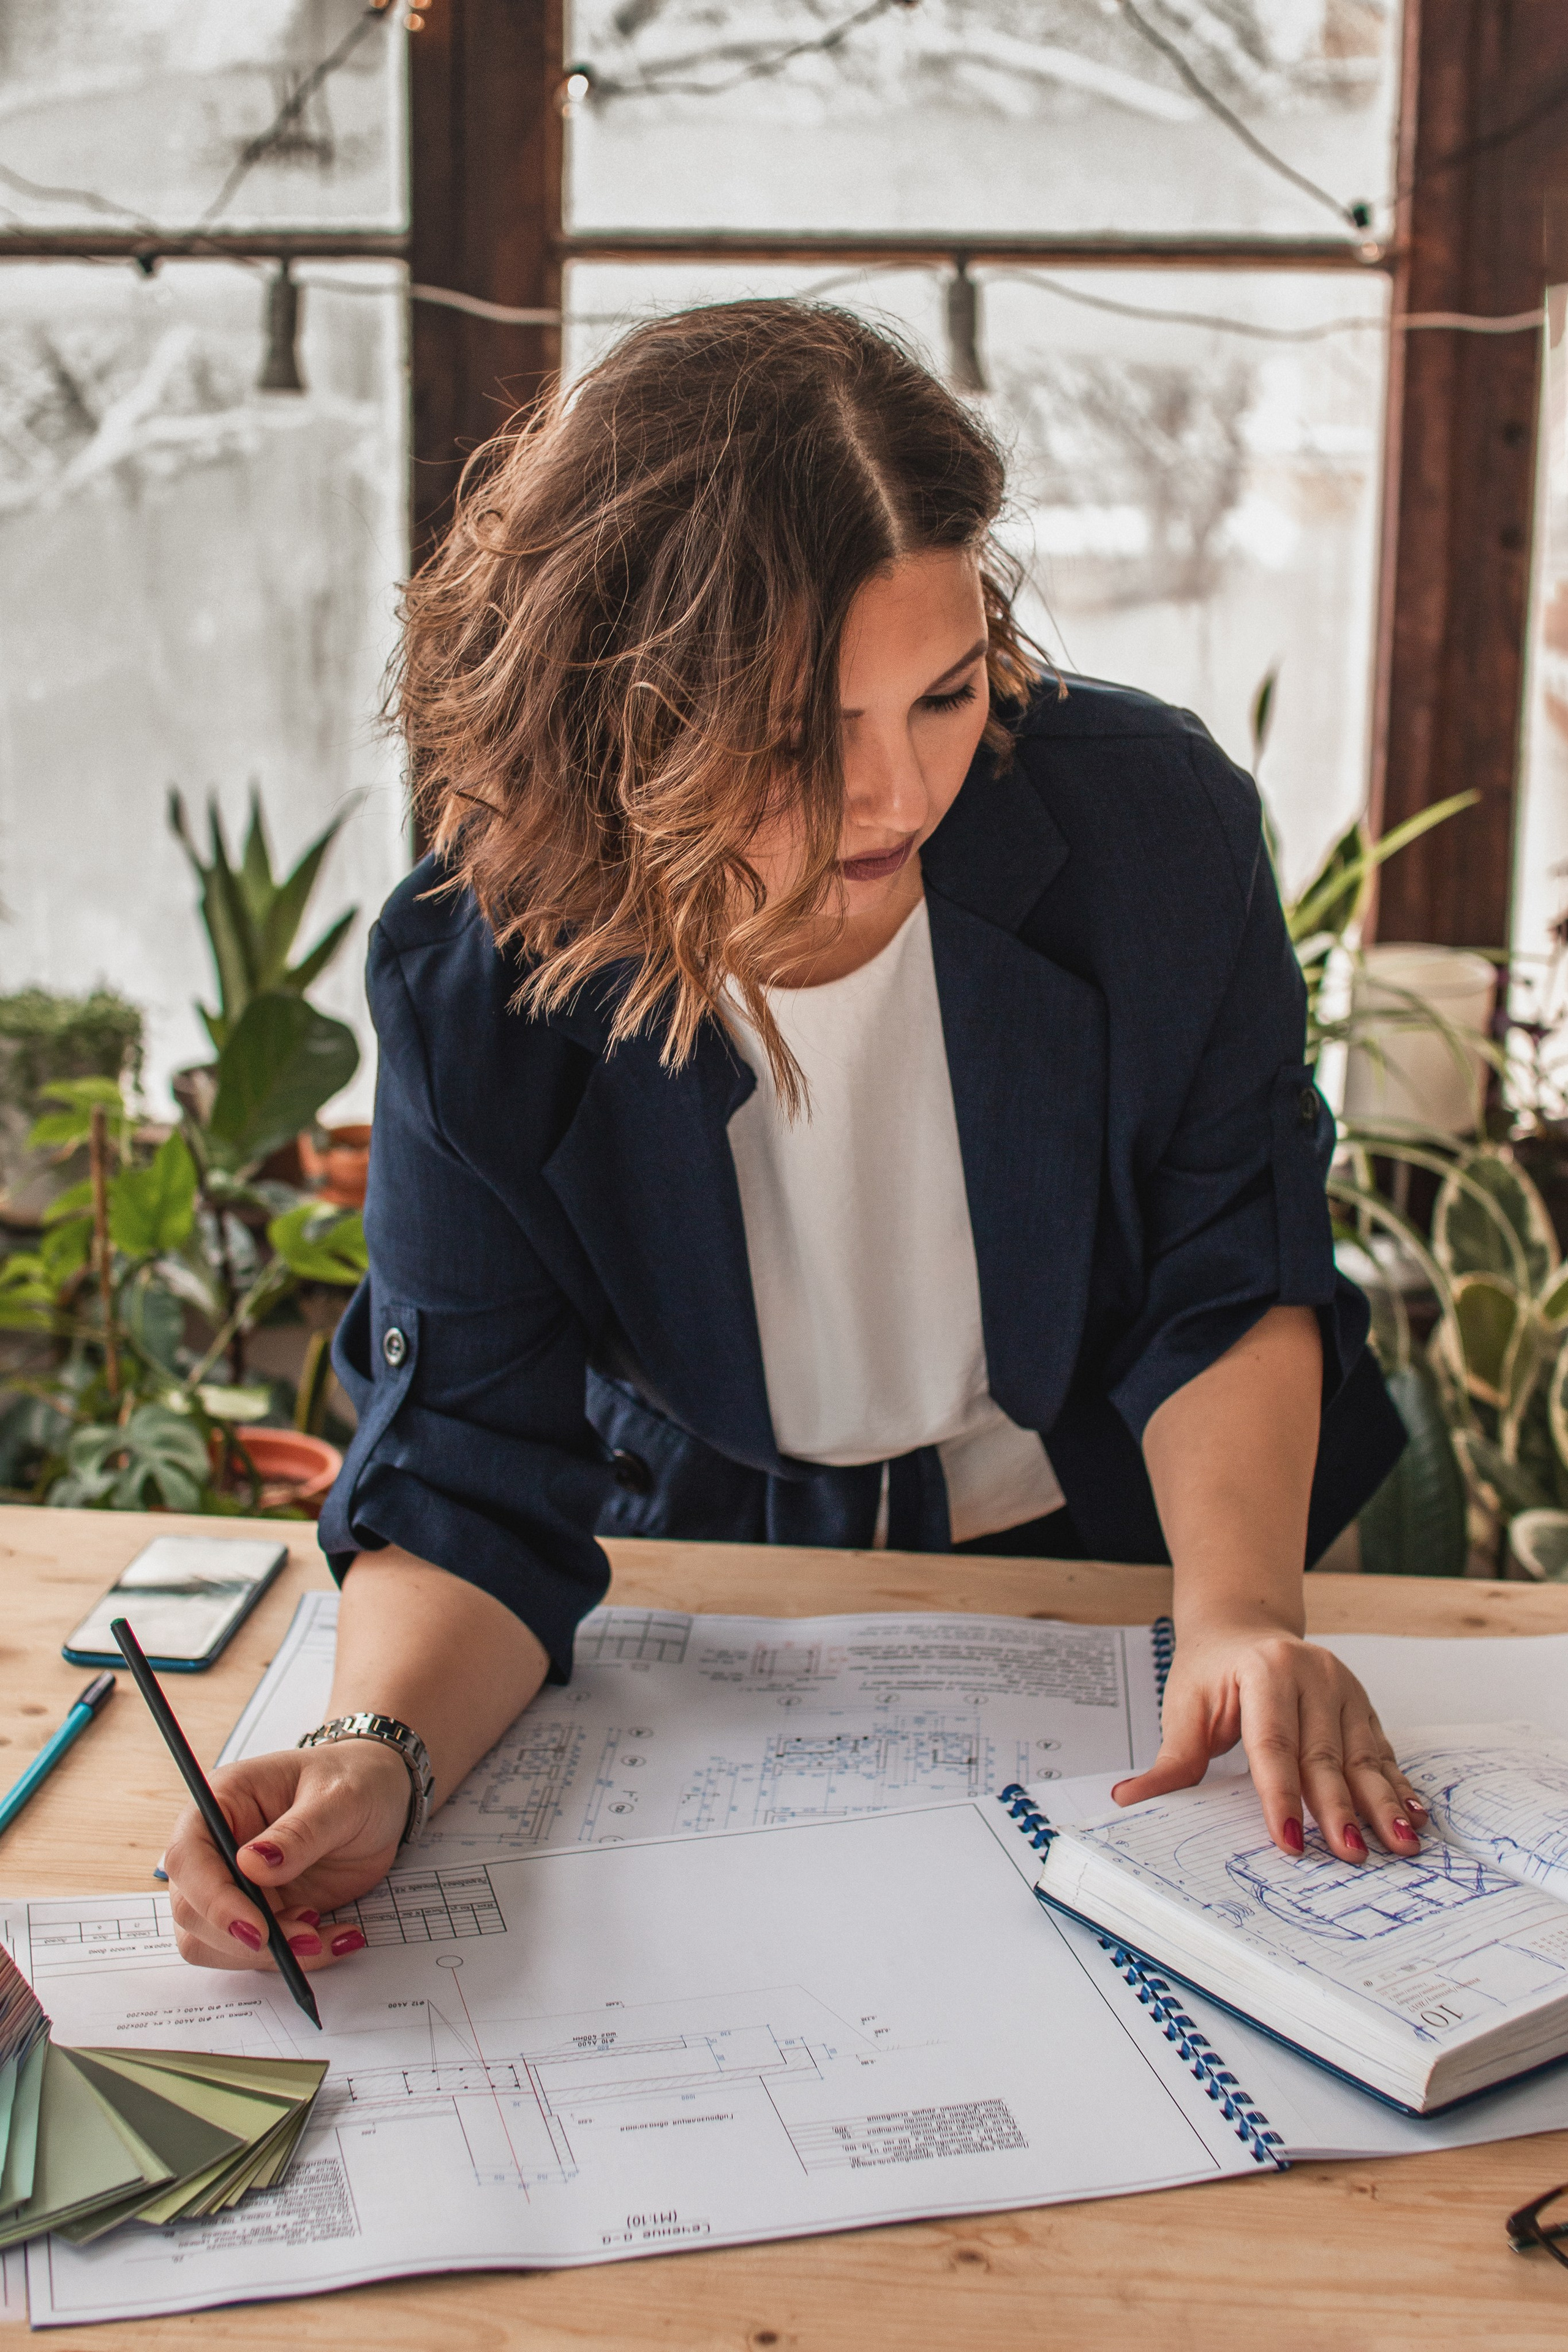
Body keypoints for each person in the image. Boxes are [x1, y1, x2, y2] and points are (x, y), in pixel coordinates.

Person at [163, 301, 1422, 1978]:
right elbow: (466, 1475)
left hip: (1135, 1533)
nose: (900, 795)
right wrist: (373, 1757)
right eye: (803, 735)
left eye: (947, 693)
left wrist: (1246, 1613)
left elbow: (1227, 1273)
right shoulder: (480, 974)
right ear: (623, 711)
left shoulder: (1155, 830)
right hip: (712, 1546)